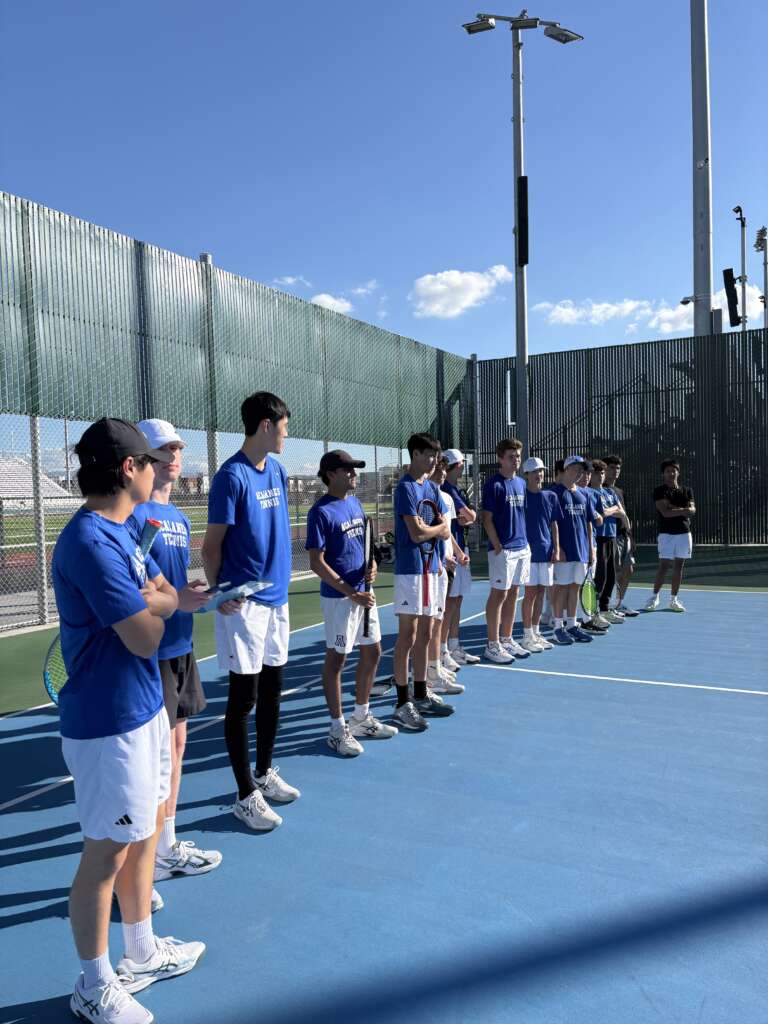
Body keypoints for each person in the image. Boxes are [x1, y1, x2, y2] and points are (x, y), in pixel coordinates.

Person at [52, 418, 205, 1024]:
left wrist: (156, 599)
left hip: (143, 709)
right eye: (149, 460)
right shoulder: (91, 542)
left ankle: (141, 950)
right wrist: (159, 602)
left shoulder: (125, 530)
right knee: (105, 856)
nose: (159, 468)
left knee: (143, 834)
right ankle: (92, 985)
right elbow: (146, 636)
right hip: (107, 722)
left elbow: (165, 593)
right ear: (128, 469)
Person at [129, 419, 223, 885]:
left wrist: (201, 595)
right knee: (158, 755)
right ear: (143, 457)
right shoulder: (134, 515)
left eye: (178, 448)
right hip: (152, 650)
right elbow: (135, 586)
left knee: (179, 746)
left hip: (182, 644)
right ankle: (148, 856)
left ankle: (166, 844)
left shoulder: (181, 518)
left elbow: (172, 583)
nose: (174, 456)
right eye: (164, 449)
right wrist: (173, 599)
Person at [202, 391, 300, 833]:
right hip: (244, 605)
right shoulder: (231, 477)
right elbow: (211, 547)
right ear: (265, 425)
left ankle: (263, 772)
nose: (286, 435)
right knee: (244, 699)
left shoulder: (276, 470)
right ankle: (245, 795)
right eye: (283, 427)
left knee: (273, 690)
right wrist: (221, 591)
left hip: (277, 600)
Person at [306, 449, 398, 756]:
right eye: (348, 470)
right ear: (331, 474)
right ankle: (337, 729)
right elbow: (317, 563)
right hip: (340, 600)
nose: (354, 475)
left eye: (355, 470)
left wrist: (372, 565)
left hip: (363, 593)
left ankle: (361, 717)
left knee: (373, 651)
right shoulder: (320, 512)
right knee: (337, 660)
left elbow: (364, 546)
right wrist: (349, 591)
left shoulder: (355, 504)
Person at [391, 433, 454, 731]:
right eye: (428, 454)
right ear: (415, 454)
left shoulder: (431, 487)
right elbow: (416, 534)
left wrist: (436, 529)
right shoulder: (405, 488)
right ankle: (402, 703)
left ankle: (420, 693)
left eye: (436, 455)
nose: (433, 460)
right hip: (410, 571)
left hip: (432, 569)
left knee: (427, 633)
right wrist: (437, 528)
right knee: (408, 635)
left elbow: (444, 530)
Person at [481, 438, 531, 663]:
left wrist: (524, 542)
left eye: (518, 456)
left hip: (521, 547)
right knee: (499, 595)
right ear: (500, 459)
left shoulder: (521, 483)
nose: (516, 460)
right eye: (511, 456)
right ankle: (492, 645)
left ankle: (507, 639)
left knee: (513, 594)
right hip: (503, 551)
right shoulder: (493, 484)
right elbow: (486, 518)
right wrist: (498, 546)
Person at [550, 455, 600, 645]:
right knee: (561, 588)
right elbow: (551, 523)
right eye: (577, 469)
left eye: (582, 470)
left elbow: (589, 523)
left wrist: (590, 549)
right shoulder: (554, 493)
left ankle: (572, 625)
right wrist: (558, 548)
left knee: (574, 587)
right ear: (566, 469)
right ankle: (557, 627)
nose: (580, 473)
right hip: (564, 552)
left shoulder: (583, 494)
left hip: (581, 551)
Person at [426, 456, 465, 695]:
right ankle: (428, 670)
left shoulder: (446, 497)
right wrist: (442, 558)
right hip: (435, 567)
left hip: (447, 566)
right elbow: (428, 534)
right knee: (429, 621)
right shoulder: (426, 496)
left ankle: (436, 664)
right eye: (438, 470)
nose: (441, 474)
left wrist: (457, 552)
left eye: (443, 470)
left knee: (439, 617)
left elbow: (447, 532)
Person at [439, 449, 480, 667]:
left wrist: (468, 517)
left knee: (457, 600)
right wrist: (468, 517)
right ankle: (442, 650)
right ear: (458, 465)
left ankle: (453, 646)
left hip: (459, 549)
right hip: (450, 552)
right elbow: (470, 516)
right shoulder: (446, 489)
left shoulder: (456, 490)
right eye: (461, 464)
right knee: (449, 602)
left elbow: (471, 515)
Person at [520, 457, 561, 652]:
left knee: (541, 593)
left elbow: (554, 524)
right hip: (528, 553)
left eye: (541, 471)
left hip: (546, 552)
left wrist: (556, 548)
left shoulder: (551, 496)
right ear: (526, 475)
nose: (539, 474)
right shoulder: (521, 497)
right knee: (530, 594)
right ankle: (526, 635)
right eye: (535, 471)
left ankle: (535, 633)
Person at [646, 459, 695, 612]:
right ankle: (654, 598)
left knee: (679, 566)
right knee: (664, 566)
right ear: (663, 474)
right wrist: (683, 510)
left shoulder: (687, 490)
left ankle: (673, 600)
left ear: (678, 472)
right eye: (668, 471)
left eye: (673, 470)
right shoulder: (659, 491)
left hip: (684, 533)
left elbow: (692, 510)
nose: (671, 473)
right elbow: (665, 513)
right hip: (666, 534)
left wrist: (674, 508)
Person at [587, 459, 626, 627]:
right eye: (596, 473)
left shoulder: (610, 492)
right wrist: (613, 510)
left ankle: (604, 609)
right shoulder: (589, 493)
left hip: (612, 537)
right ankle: (593, 611)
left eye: (602, 473)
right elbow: (601, 514)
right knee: (600, 577)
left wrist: (613, 511)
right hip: (598, 538)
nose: (600, 476)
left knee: (611, 576)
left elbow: (620, 511)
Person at [604, 454, 639, 616]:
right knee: (613, 572)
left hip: (625, 537)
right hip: (611, 537)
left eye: (618, 468)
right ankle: (608, 604)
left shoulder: (620, 491)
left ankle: (618, 603)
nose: (615, 471)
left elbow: (624, 515)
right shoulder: (600, 489)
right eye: (611, 468)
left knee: (628, 569)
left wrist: (630, 537)